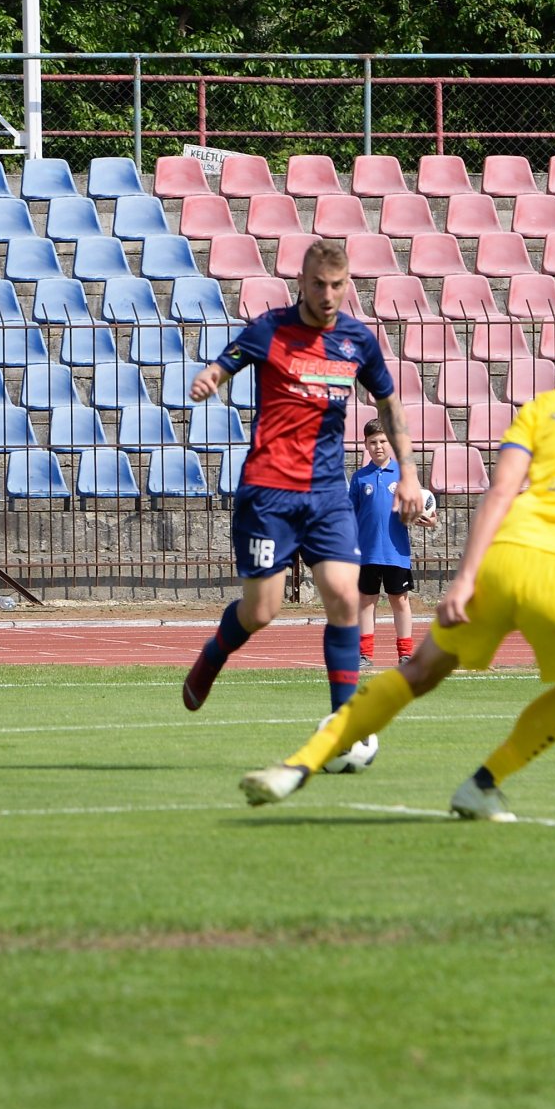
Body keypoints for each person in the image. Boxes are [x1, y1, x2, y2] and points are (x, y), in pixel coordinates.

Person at [239, 300, 555, 816]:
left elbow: (500, 491)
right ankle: (486, 782)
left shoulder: (547, 408)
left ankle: (297, 765)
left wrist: (464, 578)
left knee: (420, 671)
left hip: (506, 559)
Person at [182, 239, 427, 742]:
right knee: (262, 610)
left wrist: (410, 473)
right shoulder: (271, 329)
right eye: (319, 284)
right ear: (302, 282)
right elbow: (227, 361)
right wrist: (212, 375)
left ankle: (344, 725)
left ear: (348, 283)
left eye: (338, 284)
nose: (329, 293)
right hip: (268, 492)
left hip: (327, 495)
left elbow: (390, 405)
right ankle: (213, 656)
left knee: (342, 593)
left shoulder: (357, 341)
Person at [350, 418, 437, 667]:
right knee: (367, 601)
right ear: (365, 446)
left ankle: (405, 654)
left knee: (400, 601)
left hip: (395, 552)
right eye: (373, 442)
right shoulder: (359, 478)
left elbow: (424, 510)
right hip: (366, 553)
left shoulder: (404, 475)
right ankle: (365, 655)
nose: (378, 446)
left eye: (383, 441)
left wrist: (429, 520)